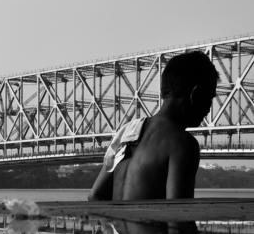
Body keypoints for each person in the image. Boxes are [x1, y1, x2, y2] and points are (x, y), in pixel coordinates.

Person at [89, 51, 218, 200]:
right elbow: (178, 211)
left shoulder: (126, 132)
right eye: (210, 97)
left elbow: (95, 195)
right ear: (196, 94)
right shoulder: (182, 144)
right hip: (152, 217)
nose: (209, 108)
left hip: (117, 216)